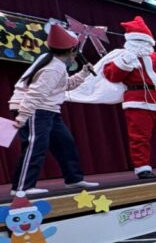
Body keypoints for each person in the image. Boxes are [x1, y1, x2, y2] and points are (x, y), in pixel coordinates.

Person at [8, 23, 99, 195]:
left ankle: (73, 179)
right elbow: (36, 93)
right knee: (35, 146)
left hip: (47, 110)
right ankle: (21, 188)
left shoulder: (54, 62)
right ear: (72, 50)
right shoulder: (54, 67)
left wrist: (83, 73)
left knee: (65, 143)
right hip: (34, 109)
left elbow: (65, 85)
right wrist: (23, 116)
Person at [98, 16, 156, 179]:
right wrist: (125, 62)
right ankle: (142, 167)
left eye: (144, 41)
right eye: (138, 41)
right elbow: (112, 76)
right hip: (138, 101)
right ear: (130, 41)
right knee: (139, 137)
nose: (141, 44)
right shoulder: (122, 58)